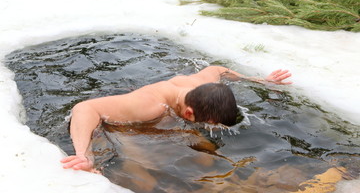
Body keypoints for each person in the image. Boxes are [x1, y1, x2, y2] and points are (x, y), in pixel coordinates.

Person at [61, 66, 292, 171]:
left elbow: (219, 69)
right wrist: (84, 154)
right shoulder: (150, 106)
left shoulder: (204, 85)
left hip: (171, 115)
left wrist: (260, 80)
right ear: (189, 114)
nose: (208, 128)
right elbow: (85, 108)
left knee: (206, 158)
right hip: (124, 127)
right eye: (208, 125)